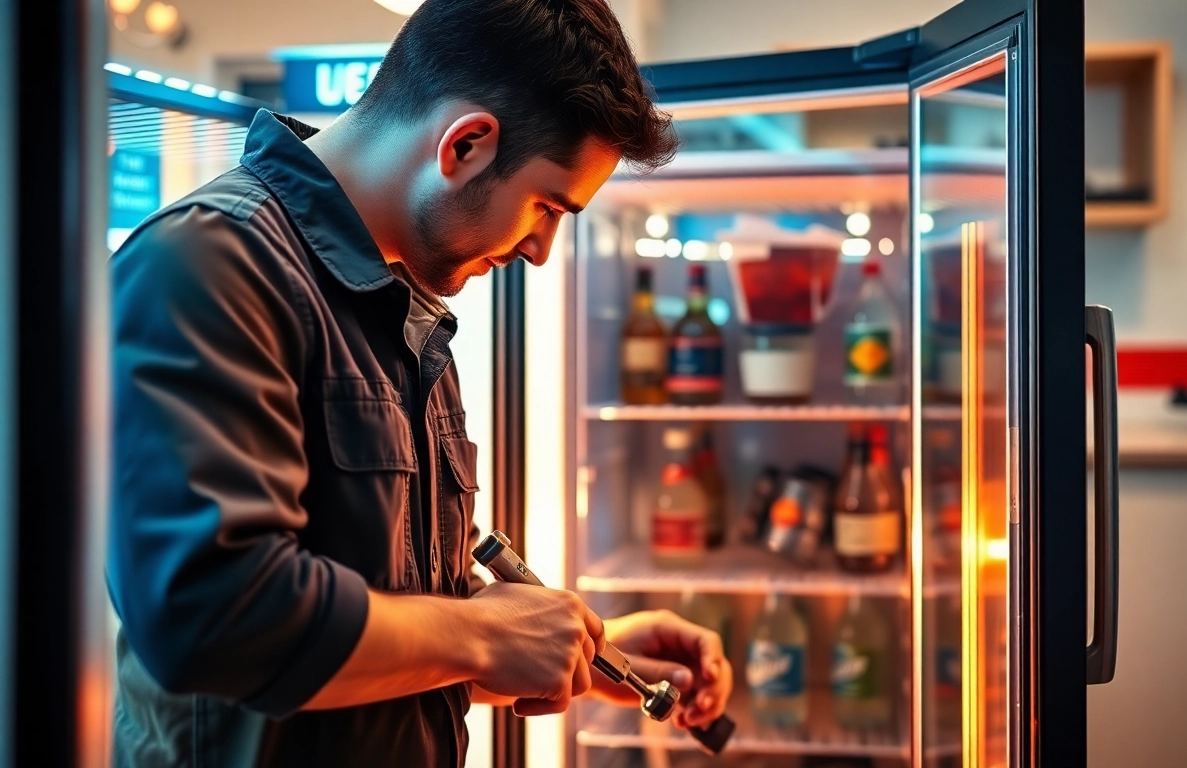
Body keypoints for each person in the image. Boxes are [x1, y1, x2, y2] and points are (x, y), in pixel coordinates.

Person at [107, 1, 731, 765]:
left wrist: (579, 651)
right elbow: (211, 618)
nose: (540, 251)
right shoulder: (210, 265)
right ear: (465, 144)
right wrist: (482, 635)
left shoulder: (400, 304)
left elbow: (374, 610)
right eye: (545, 207)